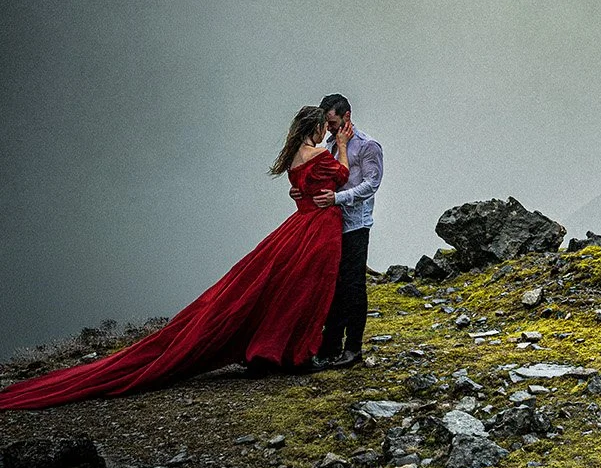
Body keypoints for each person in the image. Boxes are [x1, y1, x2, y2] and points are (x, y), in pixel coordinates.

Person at [0, 106, 352, 409]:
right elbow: (343, 175)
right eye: (324, 127)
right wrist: (342, 145)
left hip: (299, 225)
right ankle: (295, 353)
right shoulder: (321, 154)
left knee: (279, 288)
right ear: (316, 127)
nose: (327, 131)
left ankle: (275, 350)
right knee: (310, 289)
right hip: (318, 228)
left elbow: (300, 191)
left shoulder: (294, 157)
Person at [301, 93, 383, 369]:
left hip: (356, 224)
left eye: (333, 122)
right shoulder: (332, 145)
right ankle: (331, 344)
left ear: (346, 116)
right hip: (332, 225)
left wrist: (338, 199)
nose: (330, 128)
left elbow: (371, 185)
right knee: (333, 284)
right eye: (327, 123)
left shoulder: (368, 146)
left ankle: (354, 348)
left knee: (353, 285)